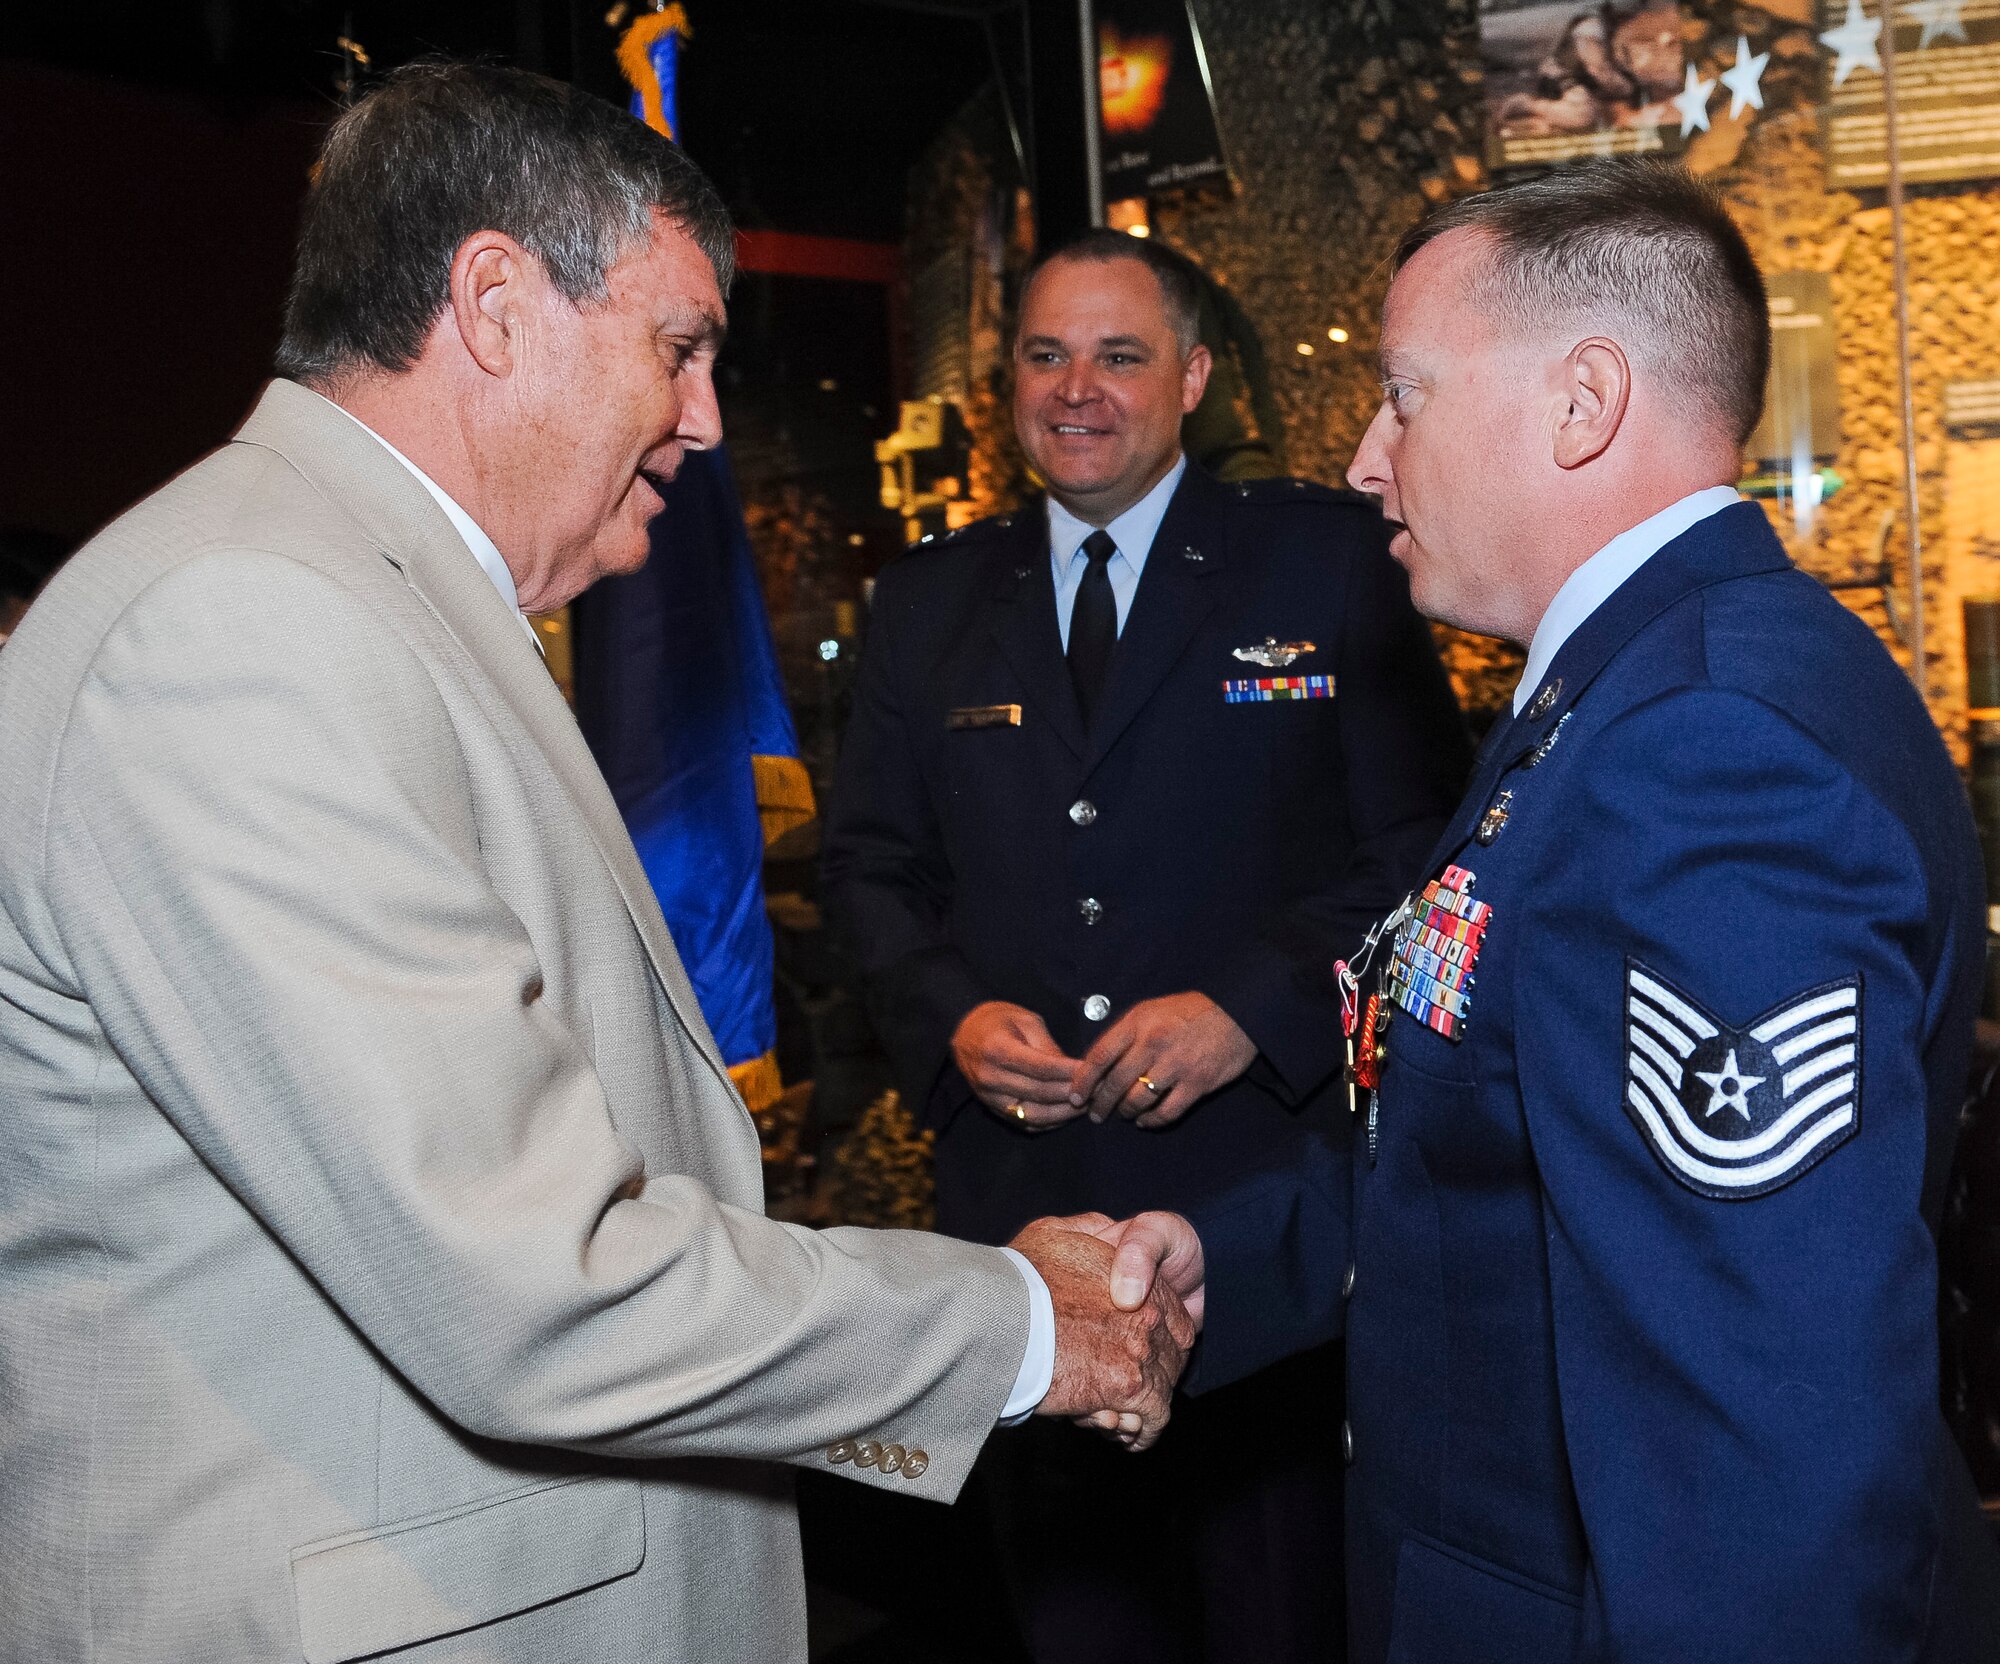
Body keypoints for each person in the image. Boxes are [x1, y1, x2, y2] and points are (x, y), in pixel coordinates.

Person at [0, 64, 1202, 1664]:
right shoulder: (246, 625)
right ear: (492, 303)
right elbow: (533, 1283)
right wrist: (1024, 1326)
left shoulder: (373, 599)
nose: (708, 419)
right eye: (680, 346)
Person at [1140, 157, 2000, 1662]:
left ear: (1582, 402)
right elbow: (1484, 1138)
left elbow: (1764, 1450)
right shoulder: (1628, 699)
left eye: (1403, 396)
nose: (1363, 457)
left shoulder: (1708, 749)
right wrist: (1224, 1270)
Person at [822, 229, 1470, 1664]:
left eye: (1119, 354)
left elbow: (1423, 851)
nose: (1078, 388)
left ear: (1189, 376)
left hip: (1262, 1208)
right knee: (1073, 1627)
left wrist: (1256, 1008)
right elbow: (869, 867)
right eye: (1046, 355)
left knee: (1278, 1617)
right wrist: (949, 1021)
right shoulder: (927, 604)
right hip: (1024, 1222)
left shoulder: (1325, 564)